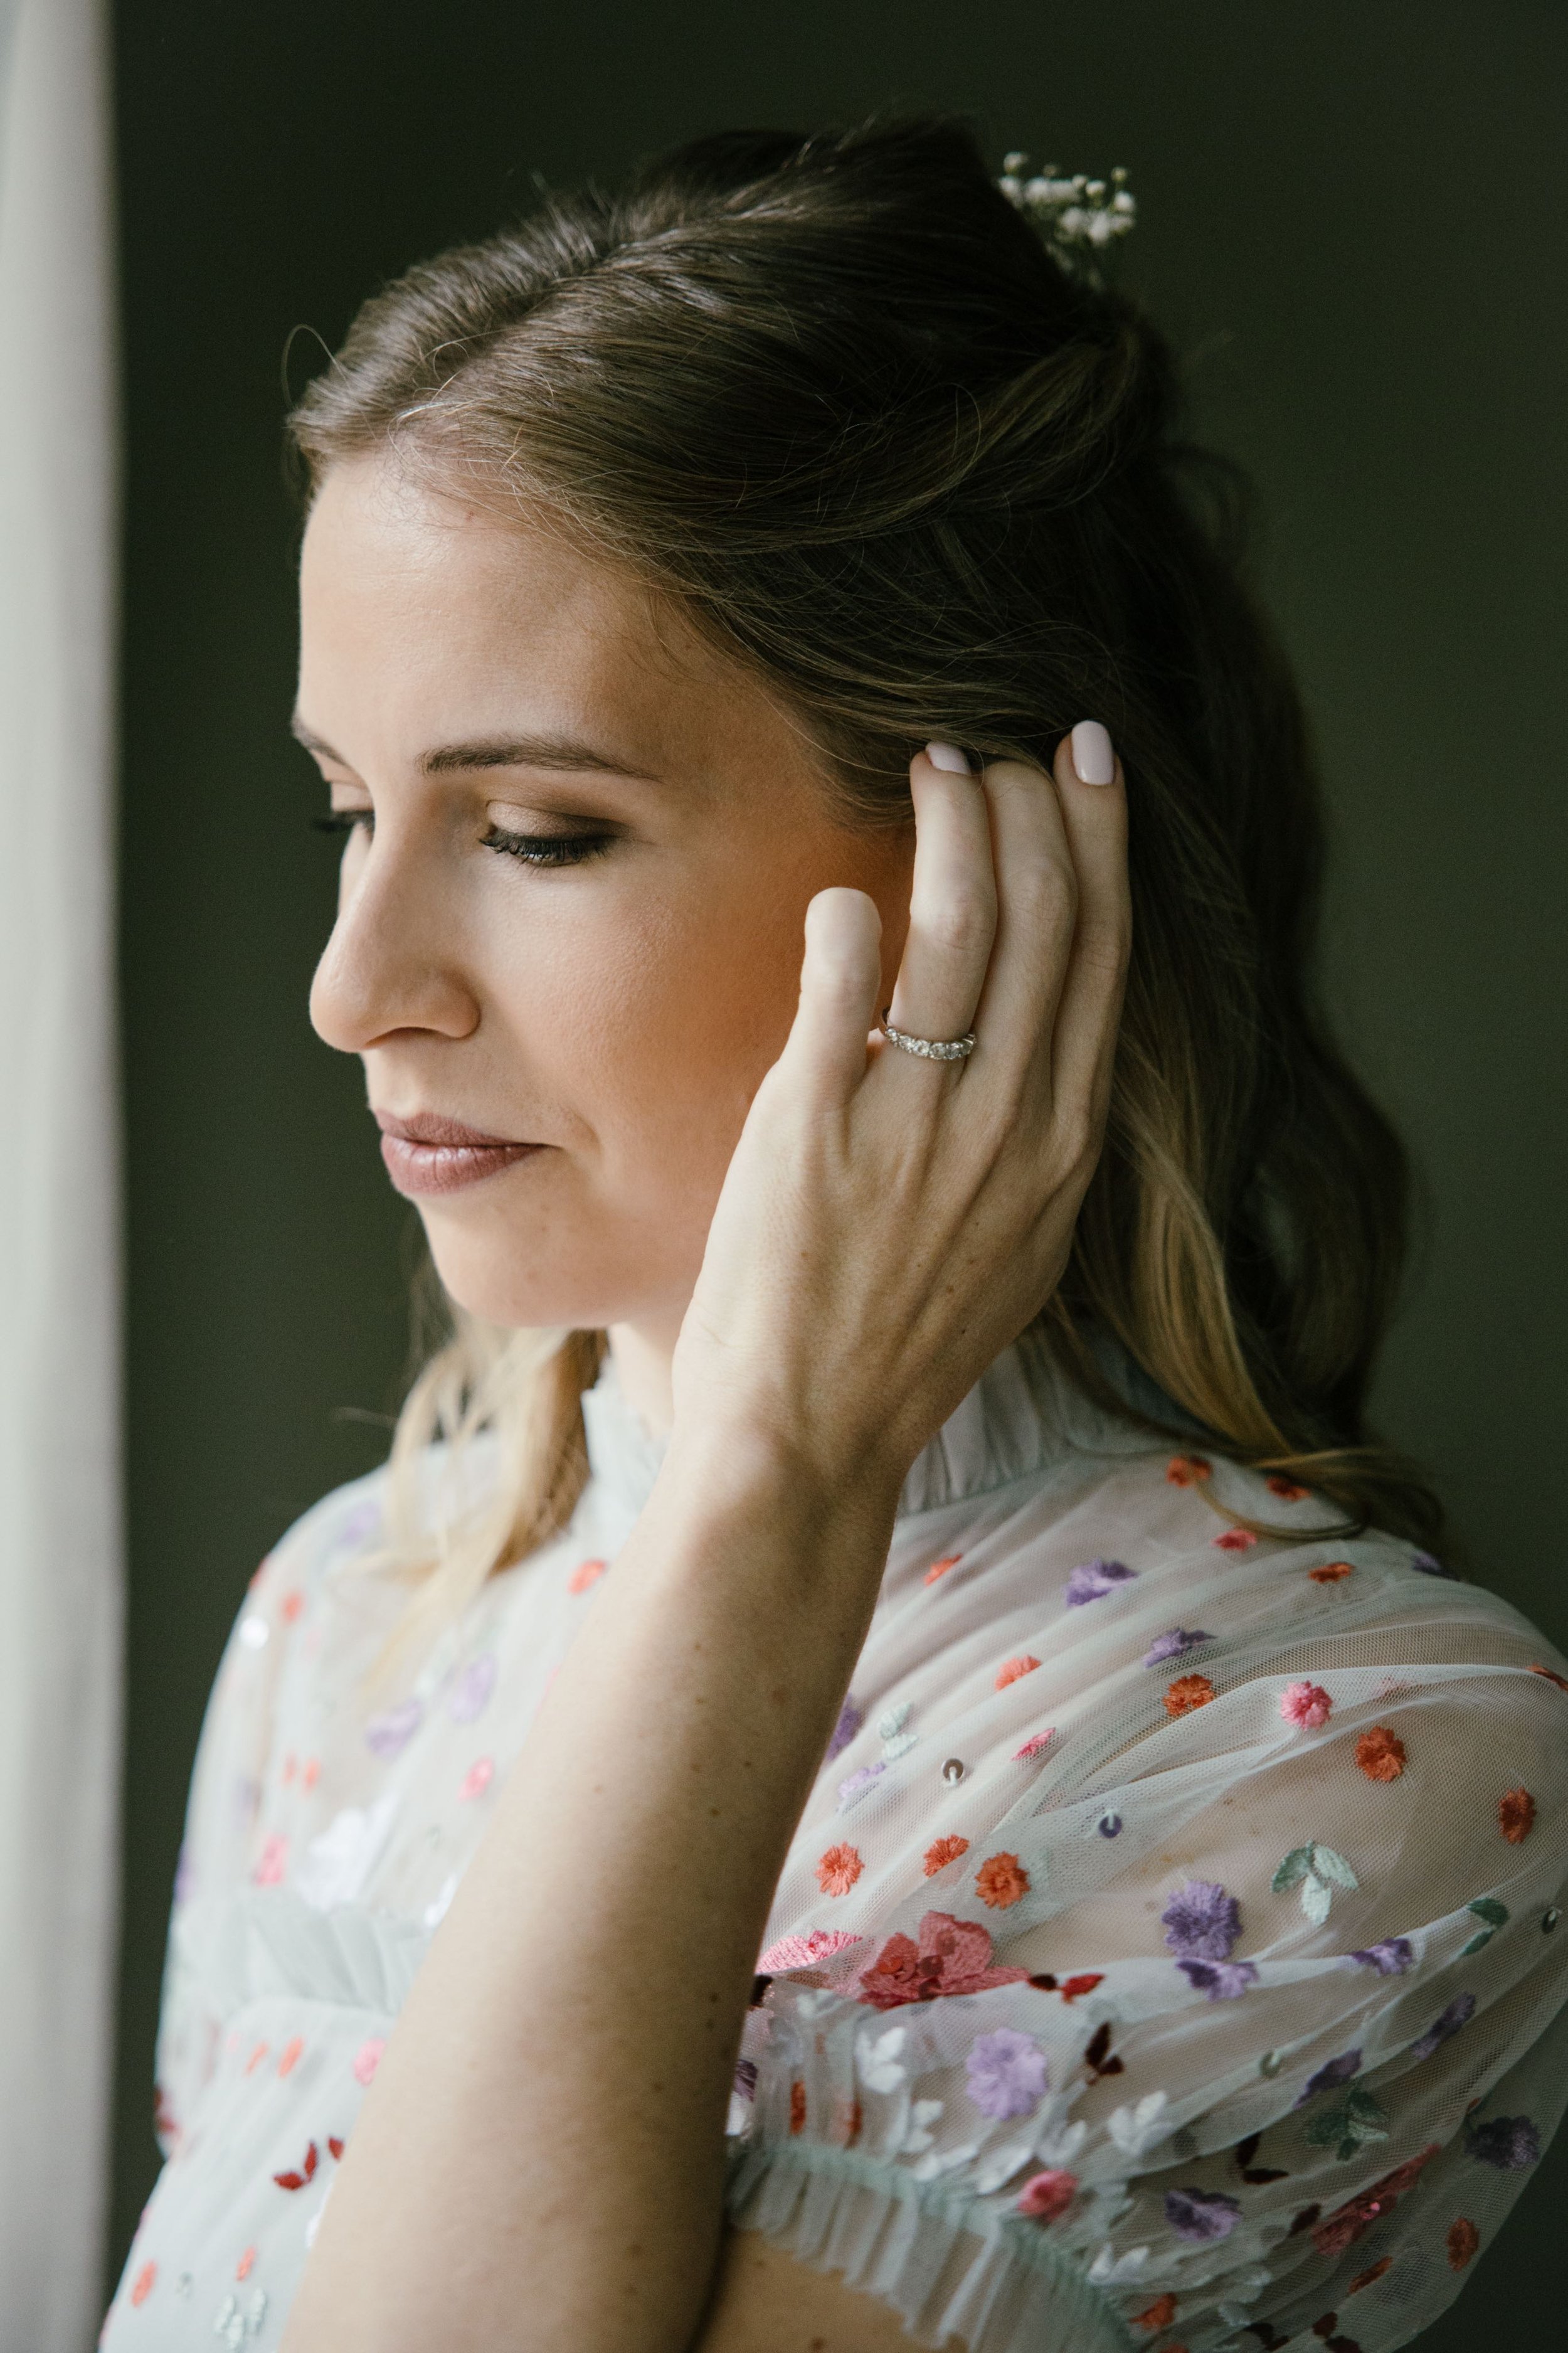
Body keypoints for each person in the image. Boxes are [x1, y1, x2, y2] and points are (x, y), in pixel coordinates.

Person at [104, 118, 1567, 2353]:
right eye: (346, 806)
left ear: (974, 889)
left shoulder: (1346, 1758)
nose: (350, 983)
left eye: (535, 828)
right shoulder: (355, 1620)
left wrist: (775, 1500)